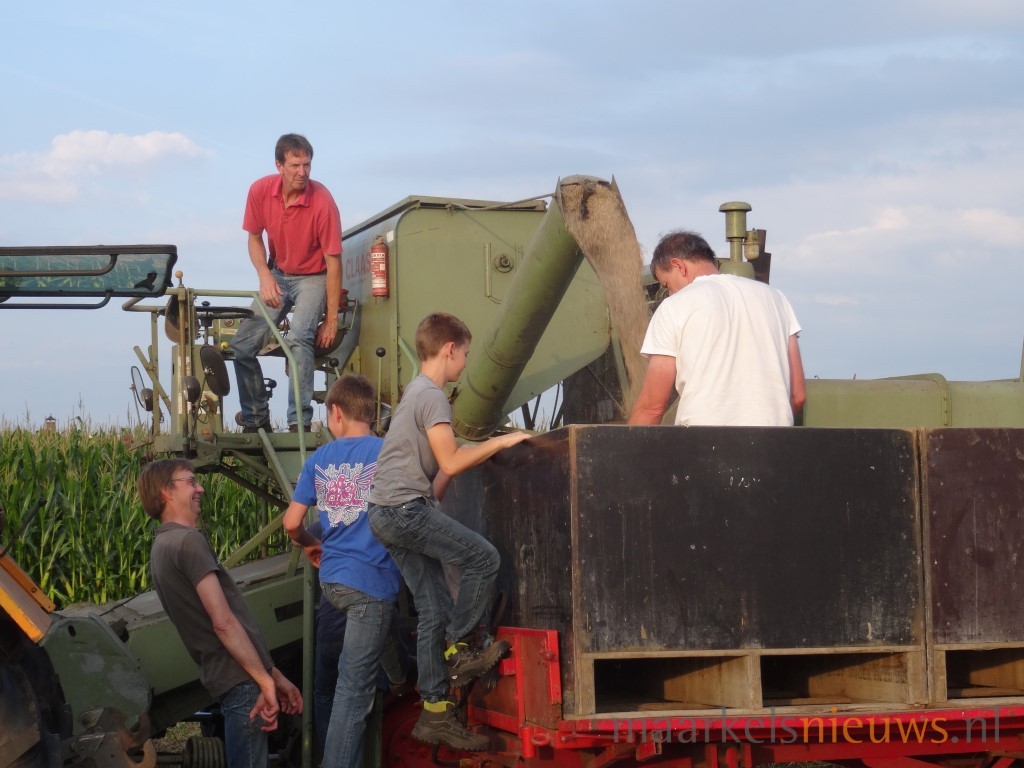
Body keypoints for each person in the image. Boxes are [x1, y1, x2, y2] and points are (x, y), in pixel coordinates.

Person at [366, 312, 531, 752]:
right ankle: (461, 650)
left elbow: (441, 461)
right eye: (466, 354)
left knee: (433, 608)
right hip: (404, 509)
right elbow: (452, 462)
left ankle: (435, 713)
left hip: (383, 513)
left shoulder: (414, 392)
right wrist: (501, 441)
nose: (467, 362)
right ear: (449, 349)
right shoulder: (433, 397)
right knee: (484, 558)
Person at [138, 459, 302, 768]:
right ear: (166, 493)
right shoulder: (188, 542)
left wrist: (274, 675)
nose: (200, 488)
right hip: (242, 680)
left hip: (232, 676)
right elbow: (224, 623)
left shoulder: (162, 544)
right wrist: (264, 682)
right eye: (190, 482)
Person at [282, 374, 403, 768]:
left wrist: (308, 543)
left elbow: (291, 523)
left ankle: (400, 676)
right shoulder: (386, 452)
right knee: (353, 695)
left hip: (333, 582)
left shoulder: (319, 459)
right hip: (371, 586)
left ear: (335, 413)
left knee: (352, 668)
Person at [628, 230, 806, 427]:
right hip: (774, 439)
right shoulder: (777, 299)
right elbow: (798, 395)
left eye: (667, 285)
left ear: (679, 266)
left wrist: (624, 446)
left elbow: (652, 408)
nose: (669, 293)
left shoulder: (674, 306)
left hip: (703, 440)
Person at [230, 133, 342, 433]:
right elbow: (254, 237)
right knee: (241, 346)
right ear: (279, 165)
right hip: (277, 273)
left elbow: (334, 264)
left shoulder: (323, 203)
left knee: (298, 337)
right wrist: (264, 275)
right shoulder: (260, 190)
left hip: (313, 277)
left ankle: (298, 424)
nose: (302, 172)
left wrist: (331, 320)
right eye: (295, 165)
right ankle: (256, 419)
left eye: (307, 165)